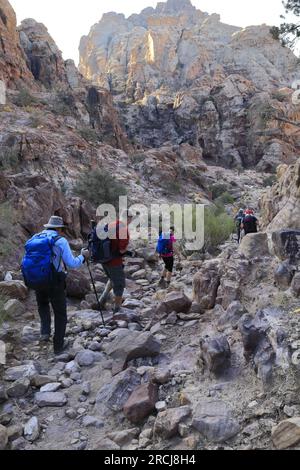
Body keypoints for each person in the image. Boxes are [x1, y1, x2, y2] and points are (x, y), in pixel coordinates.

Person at [22, 216, 89, 355]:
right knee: (60, 313)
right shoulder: (60, 240)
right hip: (54, 281)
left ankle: (45, 333)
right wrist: (83, 256)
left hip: (37, 278)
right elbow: (72, 264)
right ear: (59, 229)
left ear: (48, 226)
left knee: (43, 305)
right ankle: (58, 346)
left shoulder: (35, 237)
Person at [98, 210, 133, 314]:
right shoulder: (123, 229)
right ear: (129, 218)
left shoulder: (111, 224)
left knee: (111, 279)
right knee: (119, 284)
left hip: (103, 259)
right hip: (114, 261)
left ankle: (101, 301)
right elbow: (121, 250)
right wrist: (128, 252)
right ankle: (117, 309)